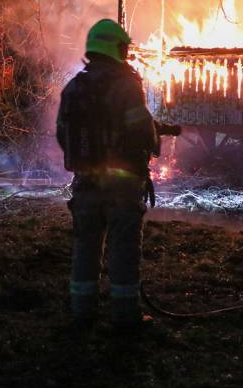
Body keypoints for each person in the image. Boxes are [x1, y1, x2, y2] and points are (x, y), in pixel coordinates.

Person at [56, 18, 180, 329]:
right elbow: (140, 129)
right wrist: (154, 140)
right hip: (122, 183)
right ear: (117, 48)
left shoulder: (74, 87)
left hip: (85, 180)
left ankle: (82, 313)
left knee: (86, 245)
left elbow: (62, 133)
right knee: (123, 247)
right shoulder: (126, 84)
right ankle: (126, 317)